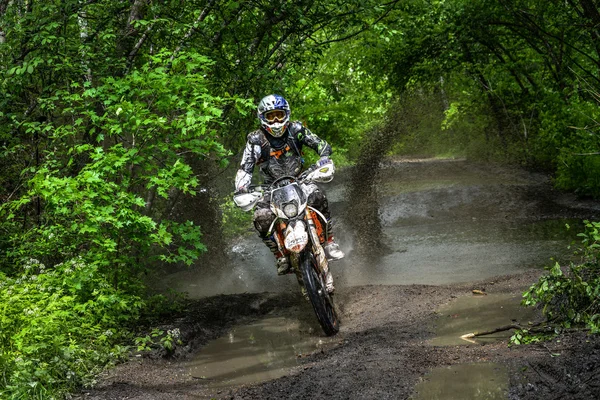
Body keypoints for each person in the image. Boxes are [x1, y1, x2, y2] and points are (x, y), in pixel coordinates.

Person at [234, 94, 344, 275]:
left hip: (300, 179)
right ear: (262, 117)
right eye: (271, 116)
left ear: (287, 114)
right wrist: (242, 188)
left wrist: (324, 158)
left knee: (318, 196)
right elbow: (245, 168)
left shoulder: (296, 129)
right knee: (261, 217)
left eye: (279, 114)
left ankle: (330, 241)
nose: (276, 120)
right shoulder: (255, 140)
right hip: (271, 188)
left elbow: (321, 144)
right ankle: (280, 255)